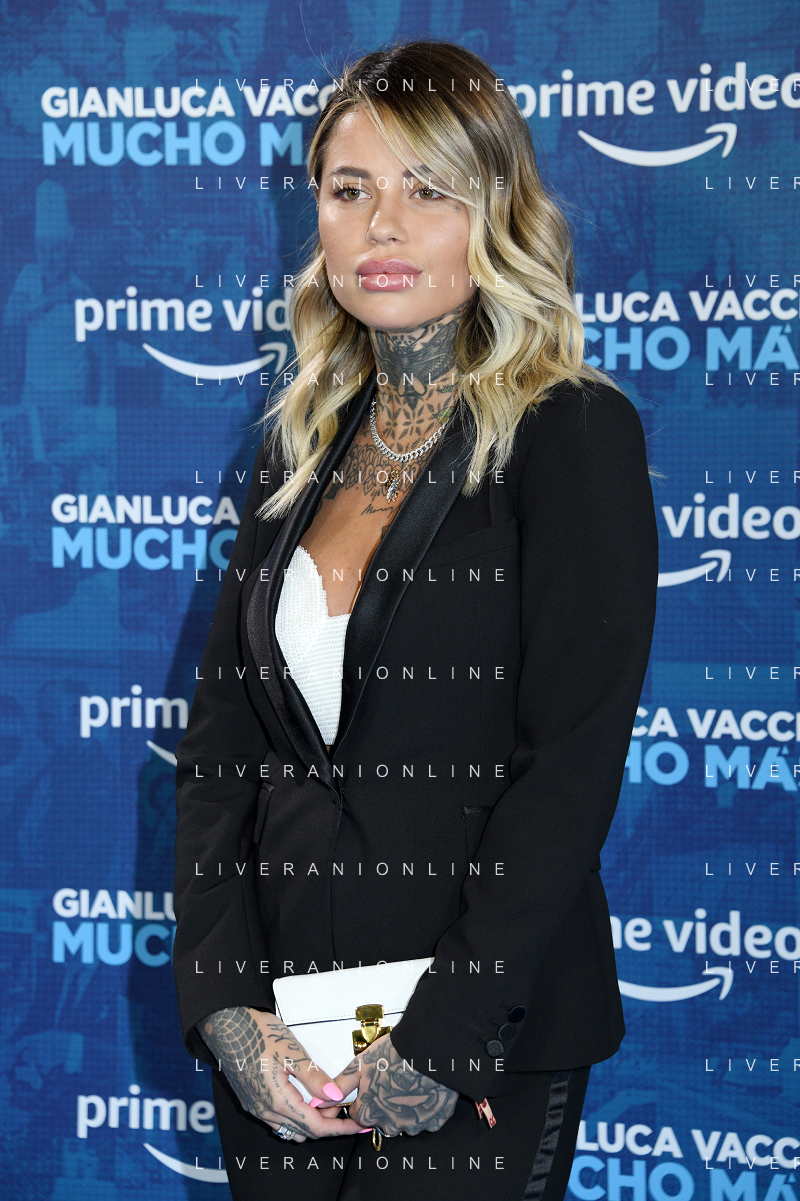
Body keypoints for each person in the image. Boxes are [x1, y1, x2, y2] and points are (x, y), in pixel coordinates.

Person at [173, 39, 658, 1201]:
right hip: (289, 1043)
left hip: (475, 1039)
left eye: (427, 190)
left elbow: (567, 767)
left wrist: (439, 1040)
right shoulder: (299, 448)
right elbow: (219, 758)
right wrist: (230, 1010)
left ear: (494, 214)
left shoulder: (568, 433)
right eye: (350, 190)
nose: (381, 226)